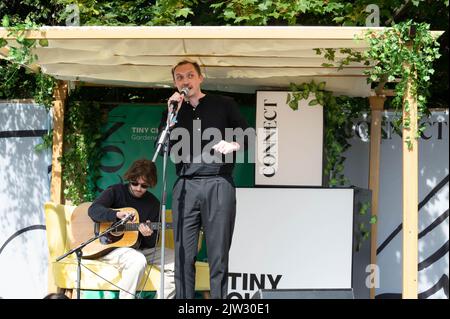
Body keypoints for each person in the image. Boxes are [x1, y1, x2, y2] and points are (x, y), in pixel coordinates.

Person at [159, 60, 250, 299]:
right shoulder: (173, 110)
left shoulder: (224, 104)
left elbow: (248, 136)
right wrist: (172, 112)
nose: (185, 80)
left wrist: (233, 144)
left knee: (218, 255)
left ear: (200, 78)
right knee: (183, 255)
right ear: (175, 83)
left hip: (218, 182)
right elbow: (164, 146)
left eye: (190, 75)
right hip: (186, 185)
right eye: (179, 77)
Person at [88, 158, 175, 299]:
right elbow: (93, 210)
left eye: (144, 185)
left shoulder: (153, 204)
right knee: (137, 260)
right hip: (110, 247)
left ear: (150, 184)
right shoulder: (116, 191)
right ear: (130, 178)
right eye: (135, 183)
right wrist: (115, 214)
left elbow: (151, 245)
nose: (138, 188)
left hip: (139, 248)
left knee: (177, 261)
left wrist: (148, 234)